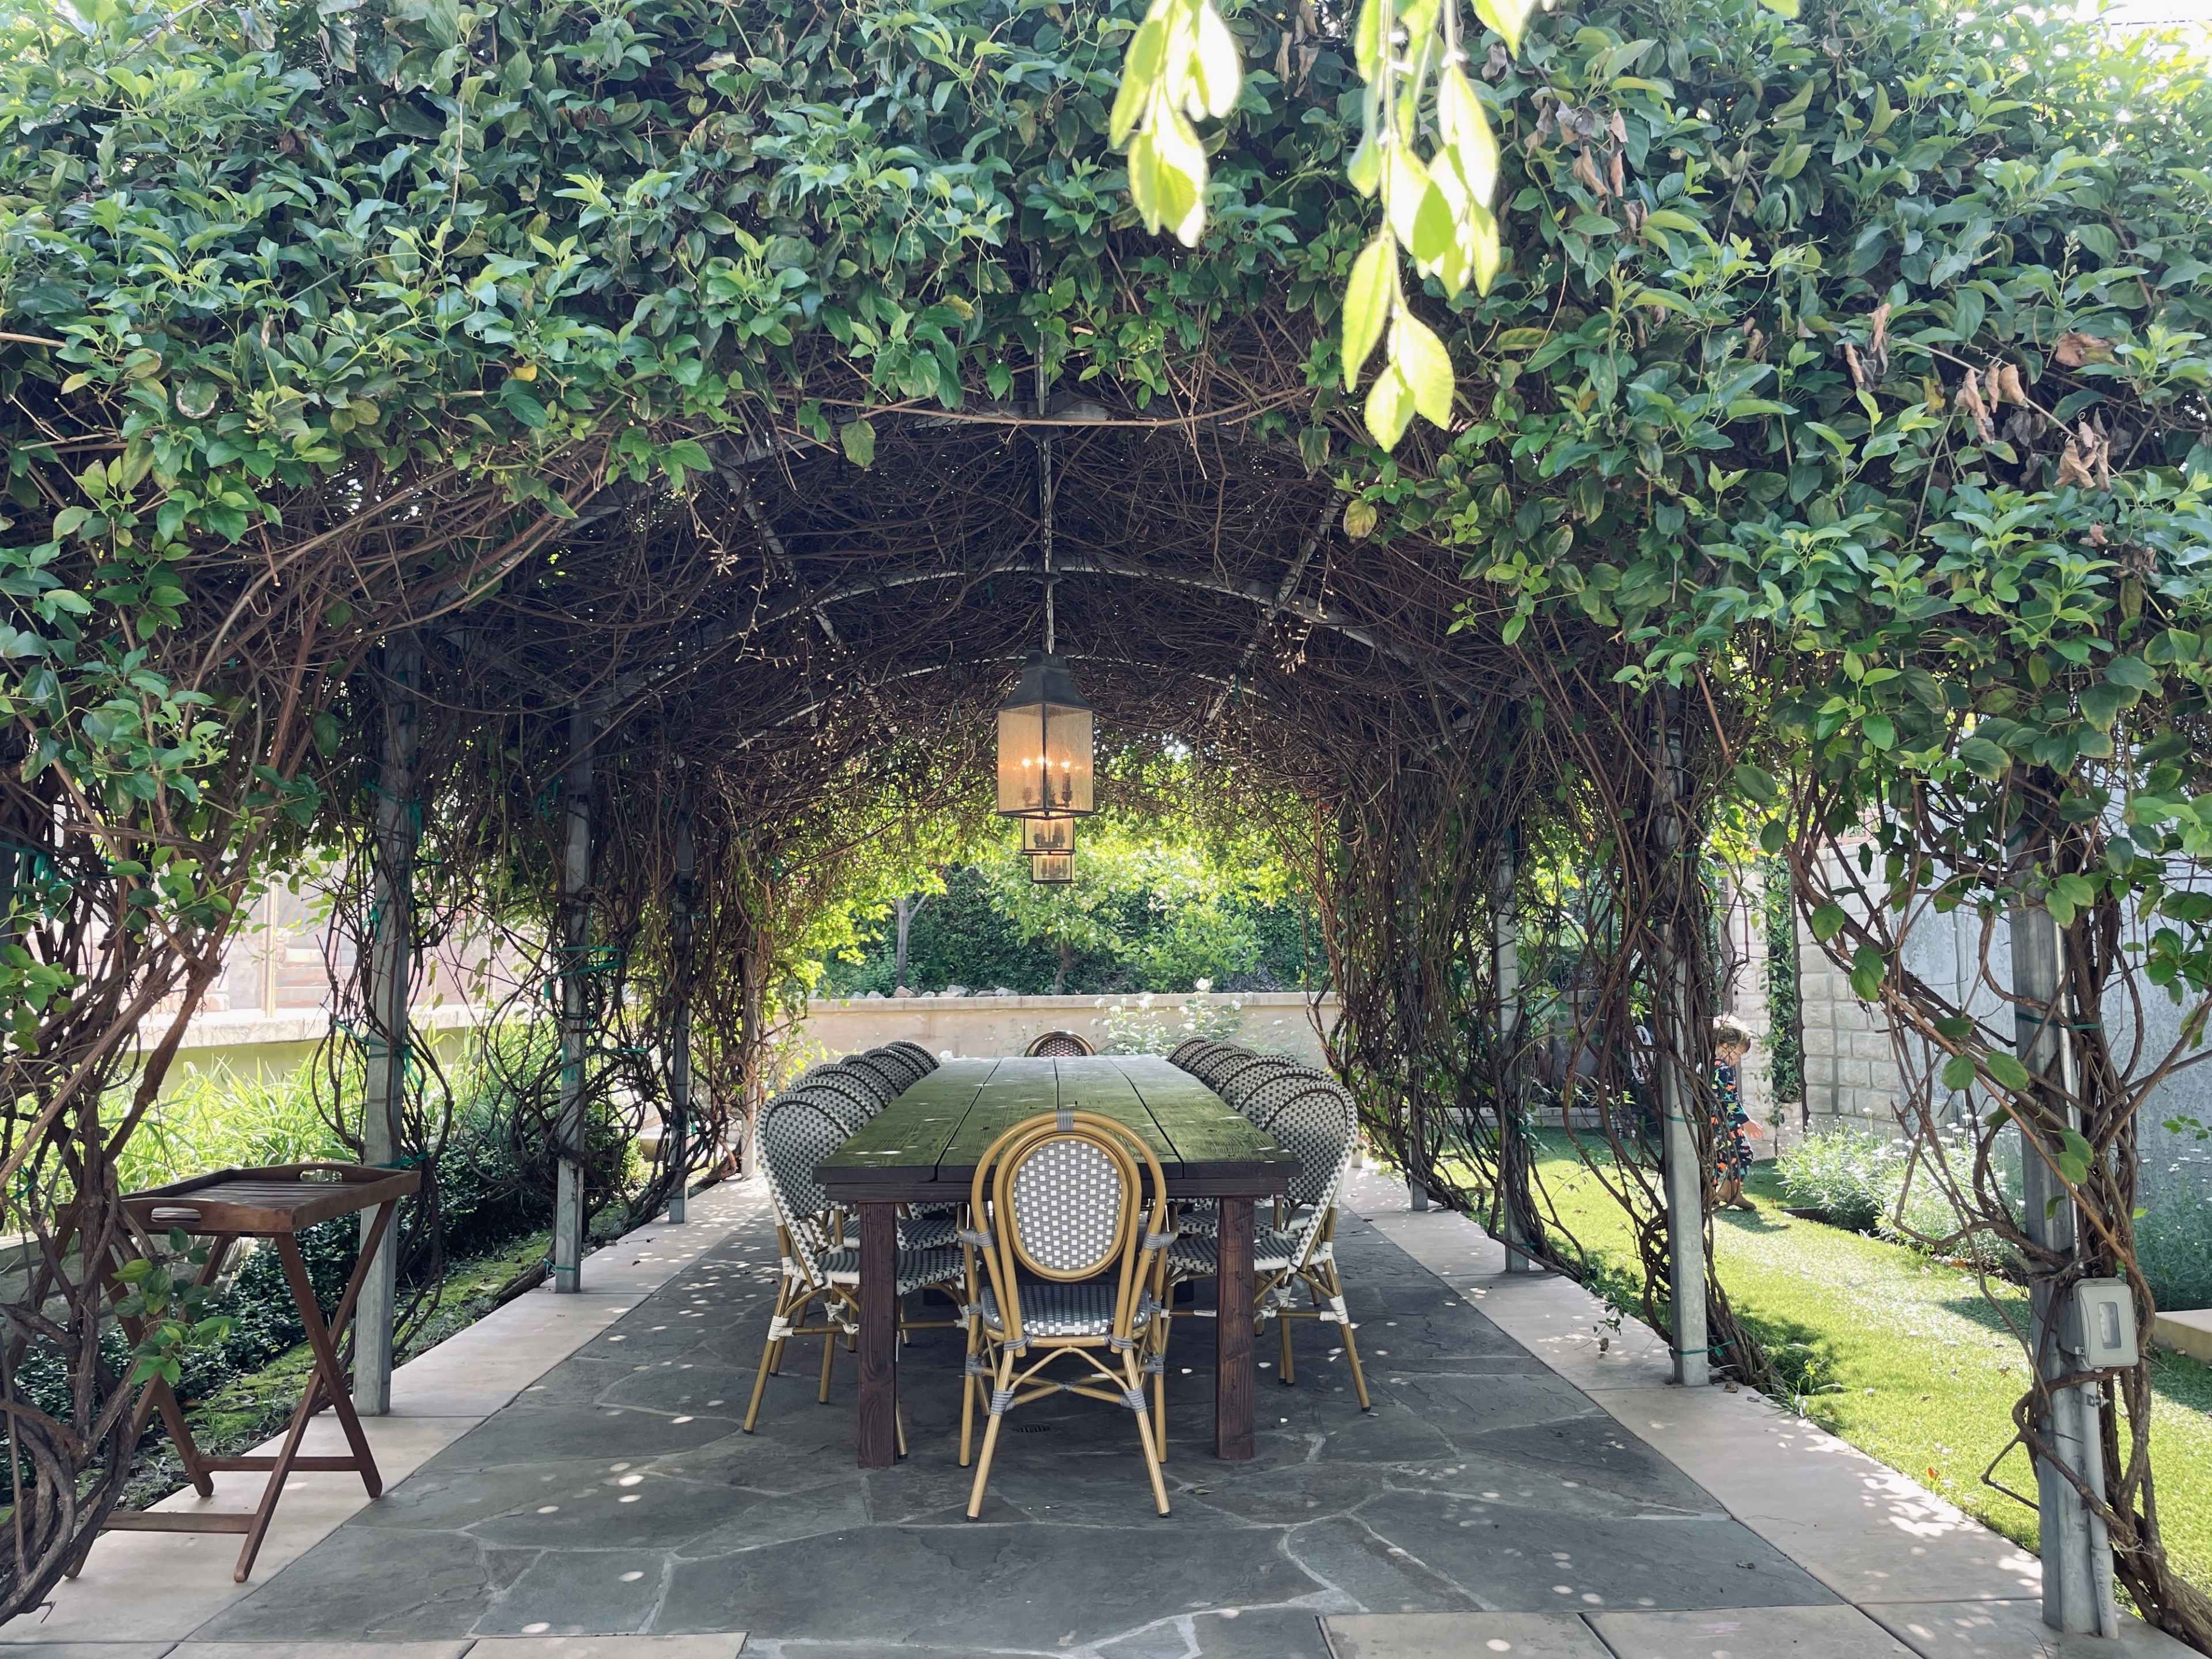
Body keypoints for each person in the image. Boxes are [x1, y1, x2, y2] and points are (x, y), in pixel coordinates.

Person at [1711, 1014, 1756, 1212]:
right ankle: (1730, 1193)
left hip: (1712, 1123)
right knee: (1743, 1153)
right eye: (1737, 1054)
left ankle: (1713, 1193)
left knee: (1718, 1157)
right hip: (1725, 1122)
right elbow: (1730, 1101)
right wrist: (1747, 1122)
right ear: (1725, 1046)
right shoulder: (1723, 1071)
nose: (1737, 1060)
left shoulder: (1709, 1064)